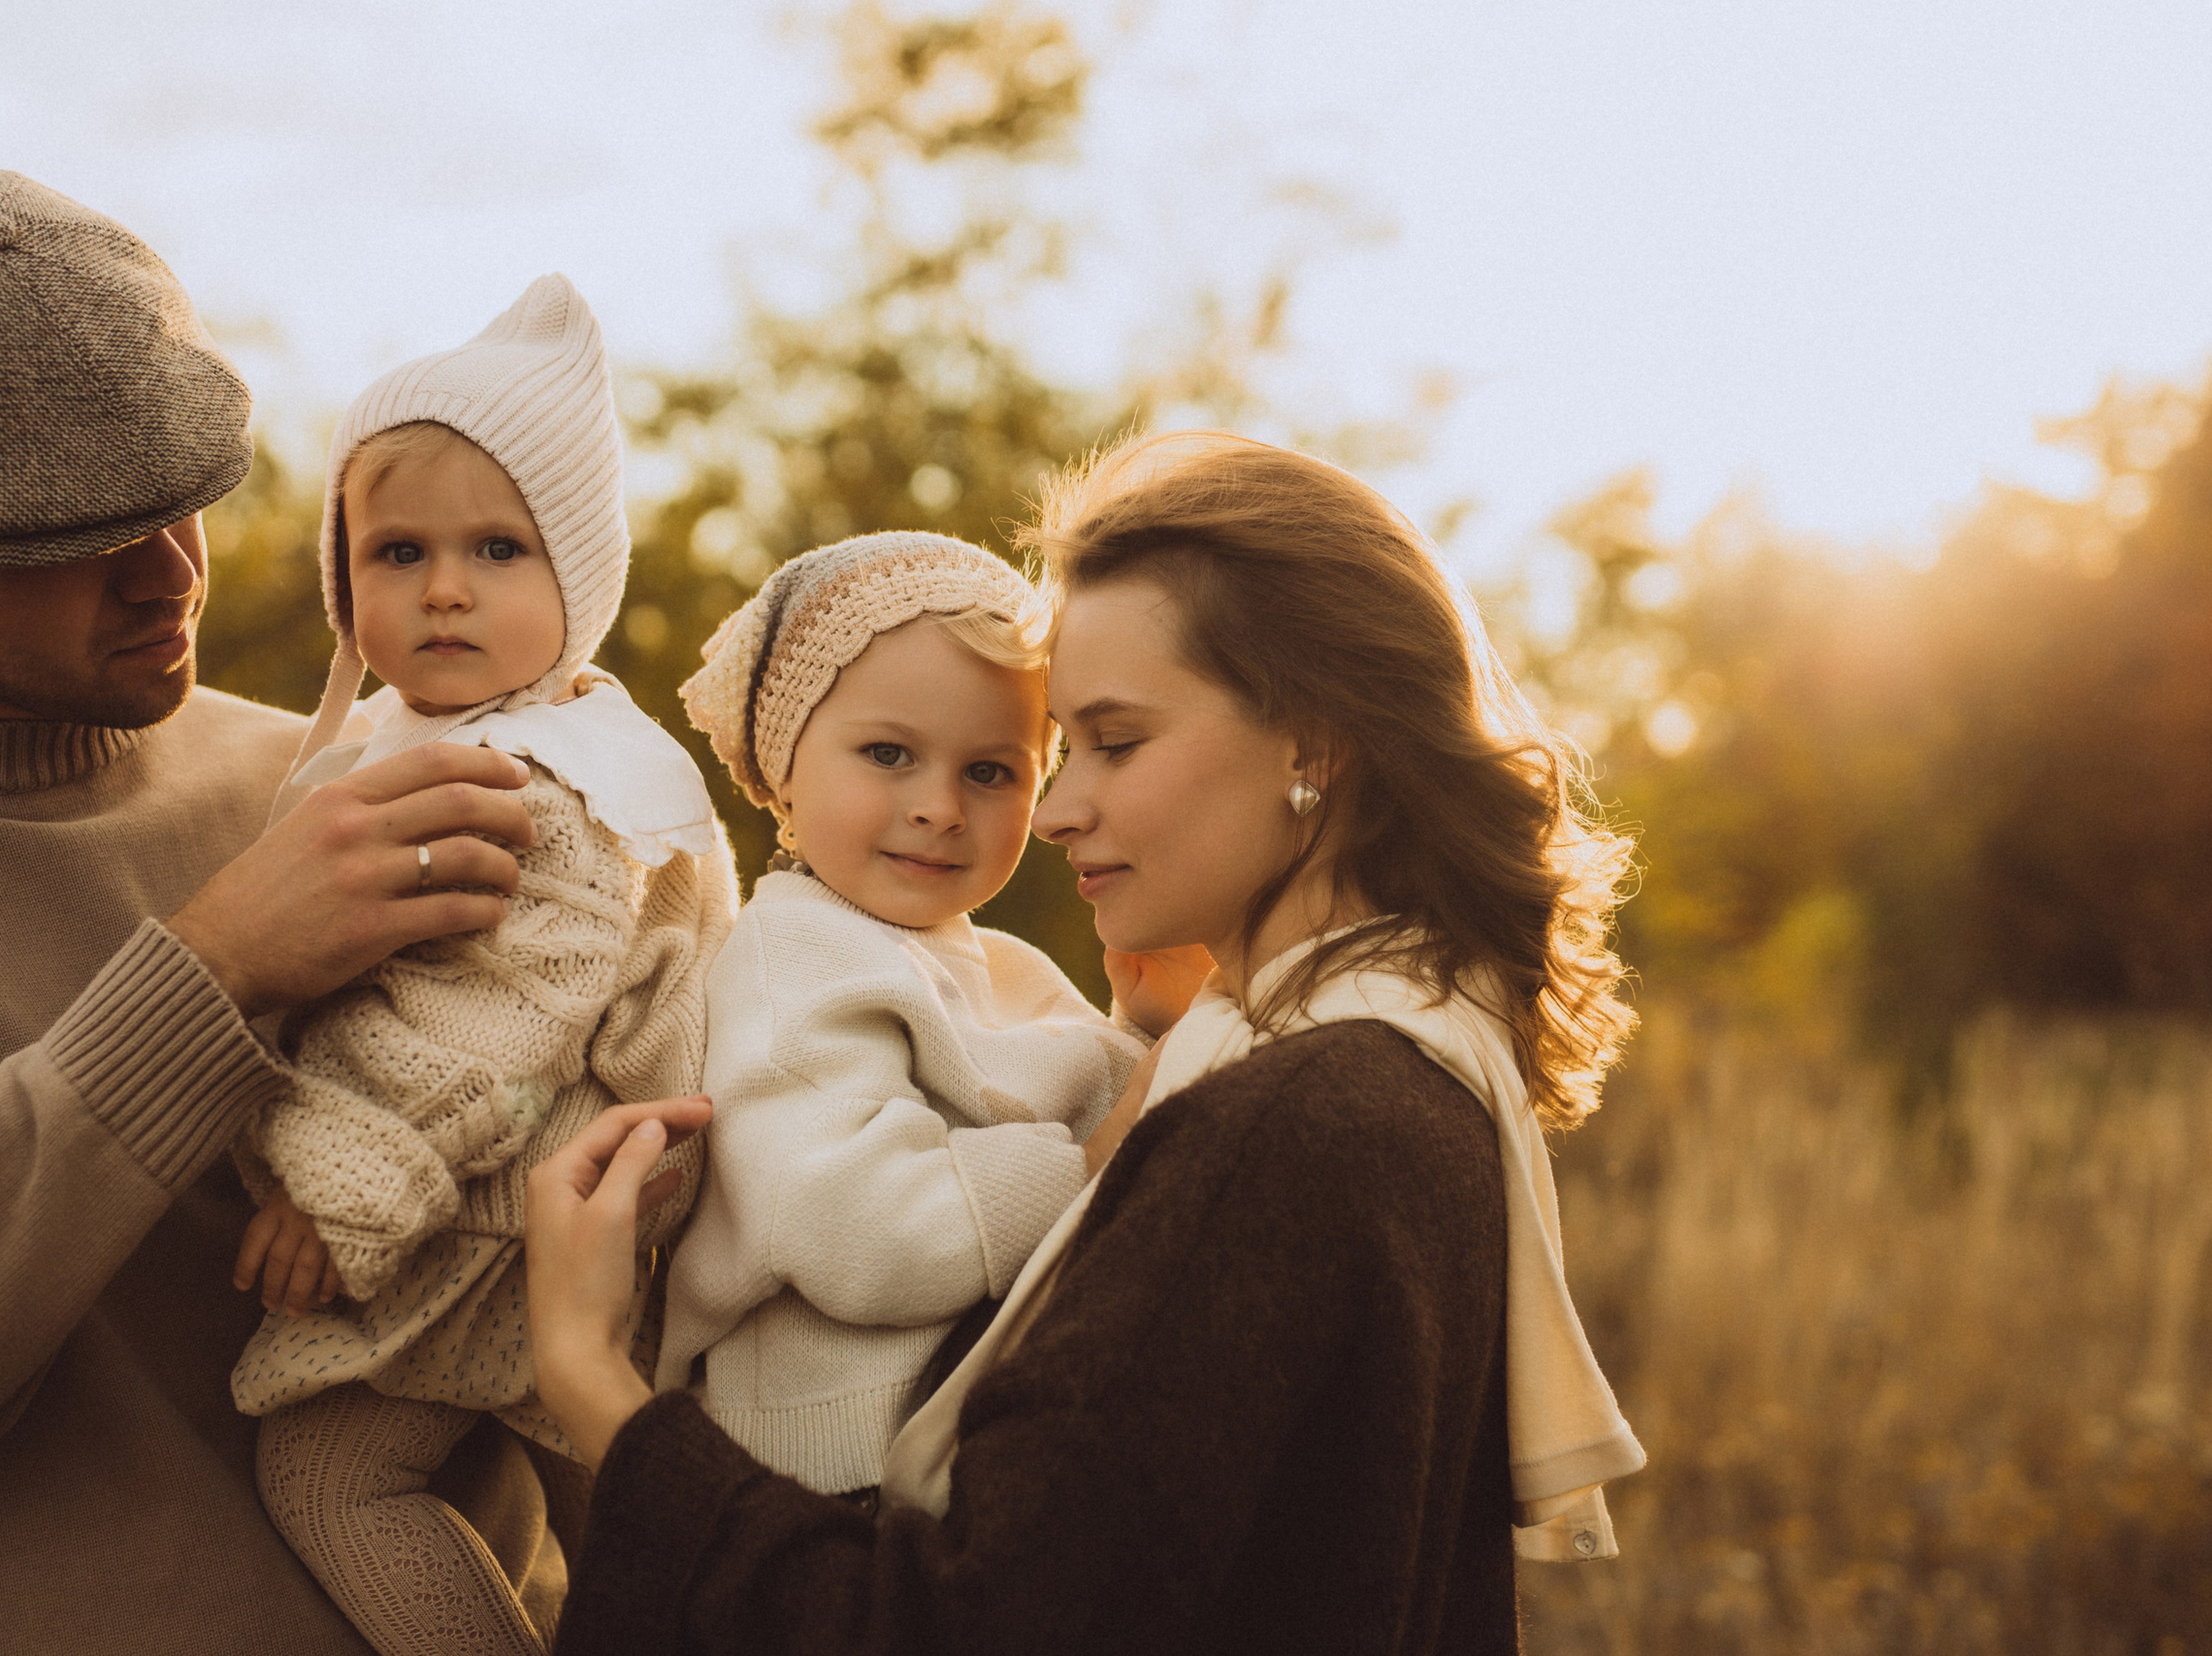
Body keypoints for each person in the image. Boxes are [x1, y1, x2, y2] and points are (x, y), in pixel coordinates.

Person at [525, 431, 1646, 1655]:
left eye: (1110, 741)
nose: (1053, 810)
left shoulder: (1282, 1128)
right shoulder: (1405, 1064)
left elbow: (949, 1631)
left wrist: (598, 1389)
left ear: (1314, 743)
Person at [0, 167, 566, 1653]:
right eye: (68, 535)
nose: (168, 570)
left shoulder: (344, 773)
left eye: (182, 499)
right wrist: (212, 969)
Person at [221, 275, 737, 1656]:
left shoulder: (549, 782)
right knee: (611, 1504)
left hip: (507, 1211)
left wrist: (339, 1181)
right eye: (398, 553)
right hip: (514, 1202)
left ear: (581, 573)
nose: (445, 588)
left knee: (331, 1474)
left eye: (499, 549)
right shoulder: (421, 740)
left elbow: (506, 1016)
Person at [656, 533, 1150, 1501]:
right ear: (782, 764)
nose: (937, 806)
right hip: (829, 1463)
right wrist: (1085, 1168)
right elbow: (861, 1230)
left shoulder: (1005, 968)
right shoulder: (787, 958)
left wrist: (1146, 1023)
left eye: (991, 772)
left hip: (967, 1432)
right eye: (888, 754)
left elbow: (1130, 1114)